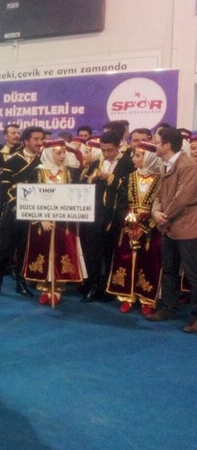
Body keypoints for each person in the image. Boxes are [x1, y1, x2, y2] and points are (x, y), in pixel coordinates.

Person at [21, 140, 86, 305]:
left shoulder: (71, 172)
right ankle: (44, 286)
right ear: (49, 154)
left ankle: (58, 287)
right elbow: (30, 197)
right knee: (43, 251)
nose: (62, 156)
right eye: (58, 153)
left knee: (61, 251)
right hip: (42, 222)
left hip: (65, 222)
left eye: (64, 152)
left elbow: (77, 196)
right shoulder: (37, 172)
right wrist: (41, 218)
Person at [147, 126, 197, 333]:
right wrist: (155, 212)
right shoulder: (164, 165)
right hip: (168, 226)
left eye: (157, 143)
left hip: (187, 227)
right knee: (168, 270)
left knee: (193, 274)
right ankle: (168, 307)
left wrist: (163, 216)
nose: (154, 146)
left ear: (167, 145)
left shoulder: (189, 166)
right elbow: (158, 194)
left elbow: (182, 199)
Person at [106, 142, 164, 315]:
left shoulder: (160, 180)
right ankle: (126, 296)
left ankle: (146, 298)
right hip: (129, 228)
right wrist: (130, 224)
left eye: (138, 156)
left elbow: (160, 205)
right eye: (134, 155)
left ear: (149, 158)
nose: (133, 158)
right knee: (125, 259)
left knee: (149, 262)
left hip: (151, 229)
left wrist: (144, 228)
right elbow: (122, 203)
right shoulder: (129, 178)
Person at [0, 125, 45, 297]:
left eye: (41, 139)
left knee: (23, 249)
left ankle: (21, 283)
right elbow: (5, 187)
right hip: (12, 212)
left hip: (33, 213)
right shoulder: (12, 161)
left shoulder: (43, 162)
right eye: (36, 139)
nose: (39, 142)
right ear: (26, 141)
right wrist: (17, 205)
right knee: (4, 249)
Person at [80, 126, 135, 302]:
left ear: (118, 146)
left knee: (110, 253)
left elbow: (129, 189)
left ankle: (108, 287)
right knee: (93, 252)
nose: (106, 154)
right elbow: (84, 186)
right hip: (94, 214)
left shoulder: (127, 163)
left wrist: (110, 178)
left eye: (110, 150)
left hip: (115, 216)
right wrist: (90, 180)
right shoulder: (96, 163)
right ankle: (93, 285)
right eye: (103, 150)